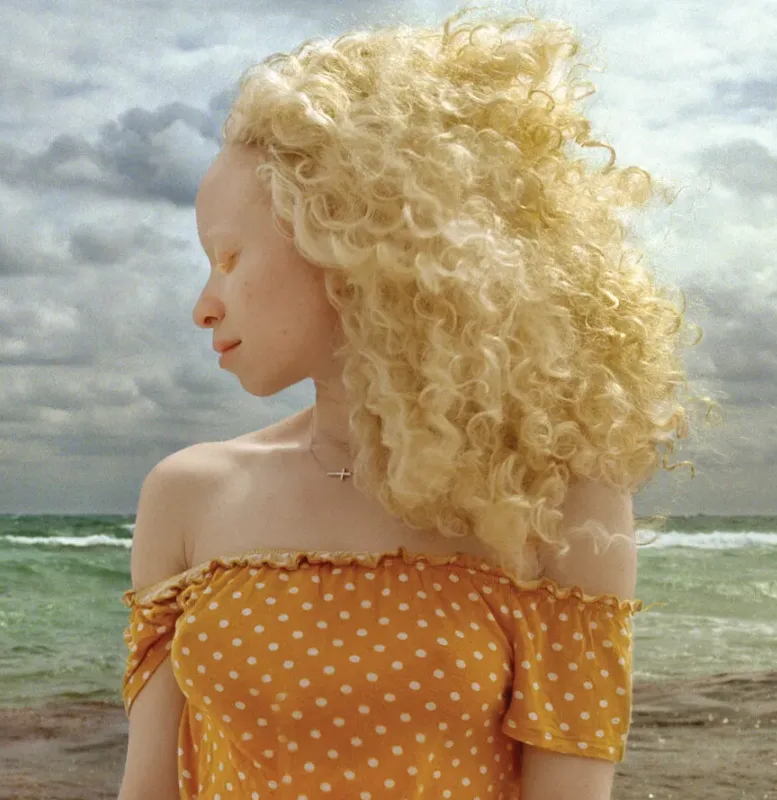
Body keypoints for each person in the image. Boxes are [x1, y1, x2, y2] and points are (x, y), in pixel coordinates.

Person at [116, 6, 710, 799]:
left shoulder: (557, 500)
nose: (205, 304)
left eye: (228, 257)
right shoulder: (188, 495)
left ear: (353, 237)